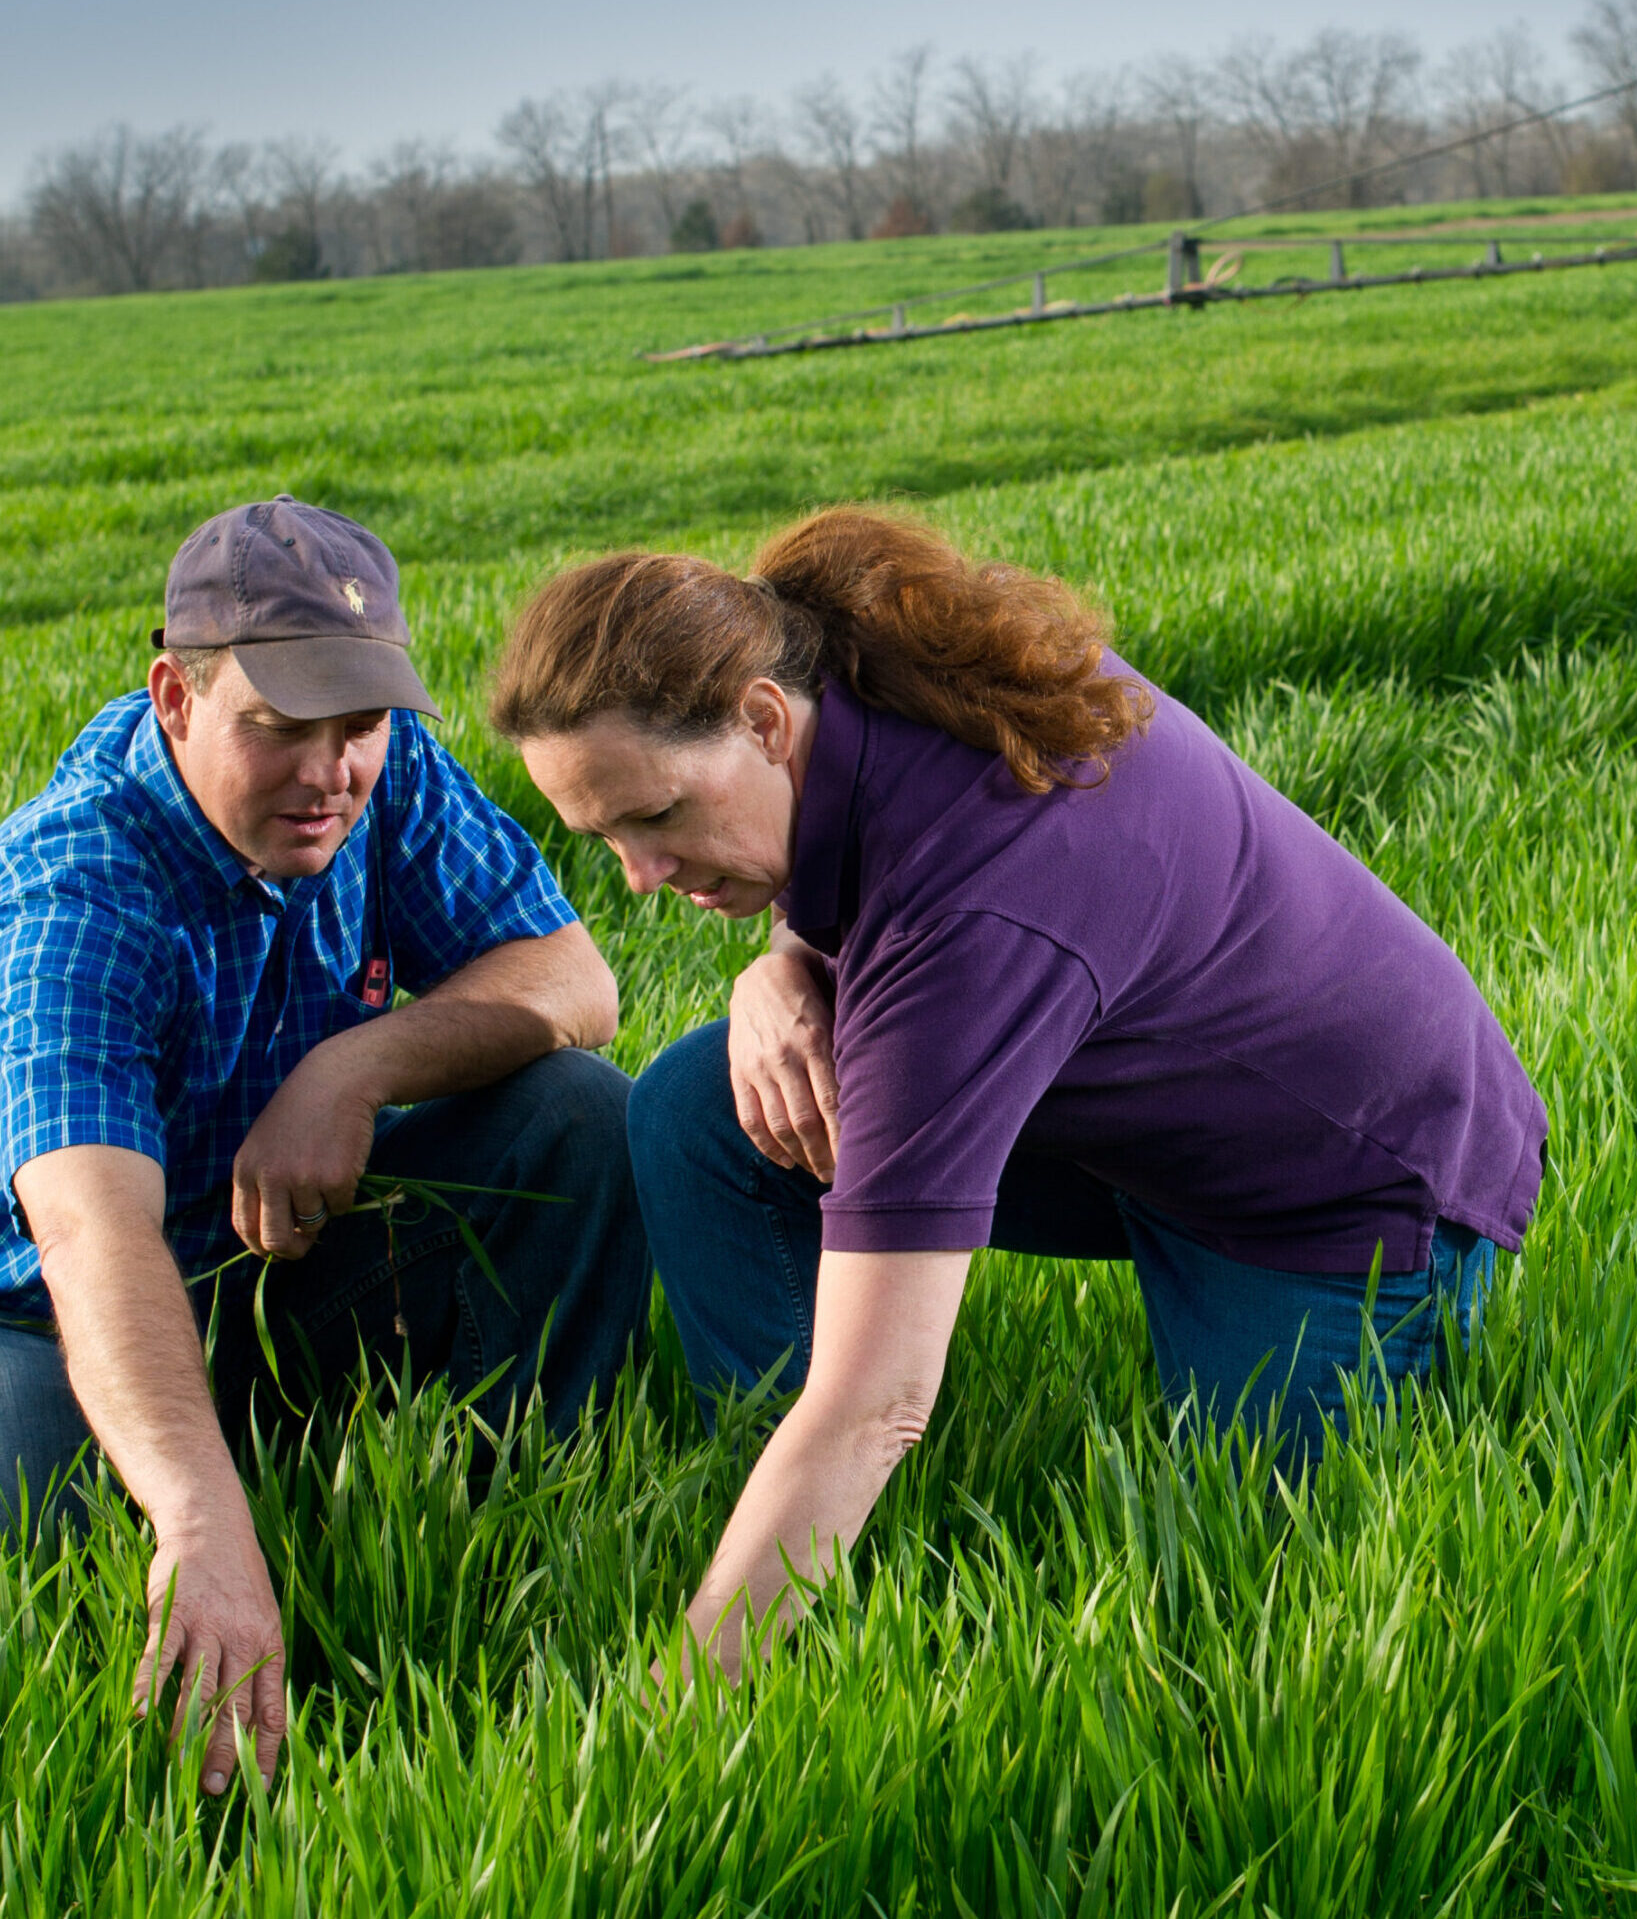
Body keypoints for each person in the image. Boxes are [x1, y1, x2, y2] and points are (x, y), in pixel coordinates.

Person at [491, 504, 1543, 1679]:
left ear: (762, 719)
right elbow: (877, 880)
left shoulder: (977, 909)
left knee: (1243, 1597)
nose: (640, 877)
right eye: (603, 837)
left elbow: (878, 1399)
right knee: (704, 1107)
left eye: (657, 816)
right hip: (1132, 1105)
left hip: (1345, 1187)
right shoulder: (863, 668)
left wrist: (675, 1710)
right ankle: (788, 1517)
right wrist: (782, 965)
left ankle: (767, 1595)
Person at [0, 494, 648, 1788]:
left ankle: (517, 1515)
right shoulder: (70, 891)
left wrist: (357, 1063)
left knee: (578, 1114)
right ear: (173, 696)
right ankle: (187, 1518)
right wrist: (198, 1517)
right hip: (25, 1317)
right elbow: (90, 1234)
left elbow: (574, 980)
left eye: (361, 726)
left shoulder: (373, 779)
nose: (329, 769)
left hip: (272, 1262)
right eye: (279, 728)